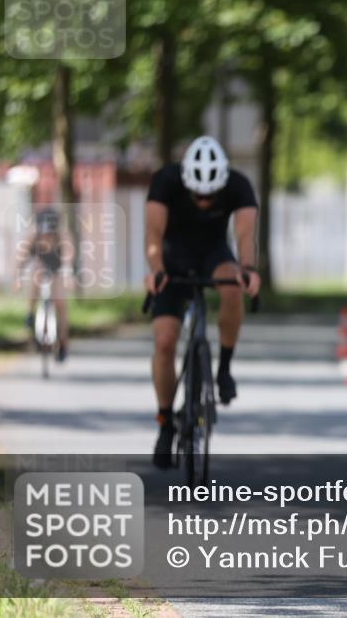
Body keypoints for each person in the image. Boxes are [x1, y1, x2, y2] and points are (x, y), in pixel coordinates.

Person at [144, 136, 260, 468]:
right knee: (164, 341)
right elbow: (153, 235)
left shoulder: (239, 185)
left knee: (233, 288)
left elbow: (245, 235)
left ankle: (223, 369)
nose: (205, 201)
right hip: (172, 260)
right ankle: (165, 422)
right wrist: (156, 271)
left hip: (214, 255)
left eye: (211, 195)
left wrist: (248, 270)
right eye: (198, 195)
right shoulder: (165, 181)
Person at [16, 207, 70, 361]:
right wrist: (18, 278)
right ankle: (30, 313)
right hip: (39, 265)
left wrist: (68, 274)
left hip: (56, 267)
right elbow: (22, 256)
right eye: (43, 236)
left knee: (60, 303)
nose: (46, 239)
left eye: (49, 236)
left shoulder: (61, 236)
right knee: (36, 273)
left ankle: (62, 343)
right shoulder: (33, 236)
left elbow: (68, 255)